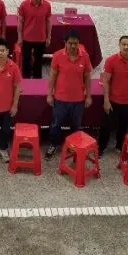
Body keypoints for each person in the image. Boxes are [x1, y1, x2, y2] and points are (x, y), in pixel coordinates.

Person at [45, 31, 91, 159]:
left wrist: (88, 96)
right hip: (60, 98)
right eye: (70, 43)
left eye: (75, 43)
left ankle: (73, 146)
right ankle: (53, 144)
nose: (73, 46)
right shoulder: (58, 56)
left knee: (76, 125)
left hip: (78, 99)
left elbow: (87, 77)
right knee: (56, 124)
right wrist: (49, 94)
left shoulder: (85, 56)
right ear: (65, 43)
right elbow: (52, 77)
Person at [98, 35, 128, 156]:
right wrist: (106, 100)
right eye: (123, 44)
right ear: (119, 46)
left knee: (124, 127)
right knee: (106, 126)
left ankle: (120, 146)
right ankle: (101, 147)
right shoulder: (111, 60)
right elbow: (106, 81)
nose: (126, 47)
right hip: (113, 101)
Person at [17, 0, 52, 78]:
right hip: (27, 38)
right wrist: (20, 38)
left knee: (38, 60)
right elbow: (20, 23)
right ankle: (26, 79)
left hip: (41, 39)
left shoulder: (47, 5)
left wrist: (48, 37)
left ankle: (37, 80)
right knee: (26, 60)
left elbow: (49, 22)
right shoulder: (24, 5)